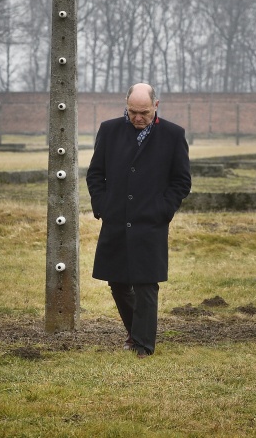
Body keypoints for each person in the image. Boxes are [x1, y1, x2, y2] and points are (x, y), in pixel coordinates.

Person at [86, 83, 191, 358]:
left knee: (146, 283)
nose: (137, 118)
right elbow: (95, 174)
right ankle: (136, 332)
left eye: (143, 112)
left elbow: (181, 181)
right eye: (132, 111)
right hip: (116, 221)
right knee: (118, 283)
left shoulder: (173, 135)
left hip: (150, 223)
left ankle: (143, 344)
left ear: (156, 106)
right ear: (126, 105)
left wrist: (163, 210)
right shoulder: (109, 131)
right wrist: (103, 207)